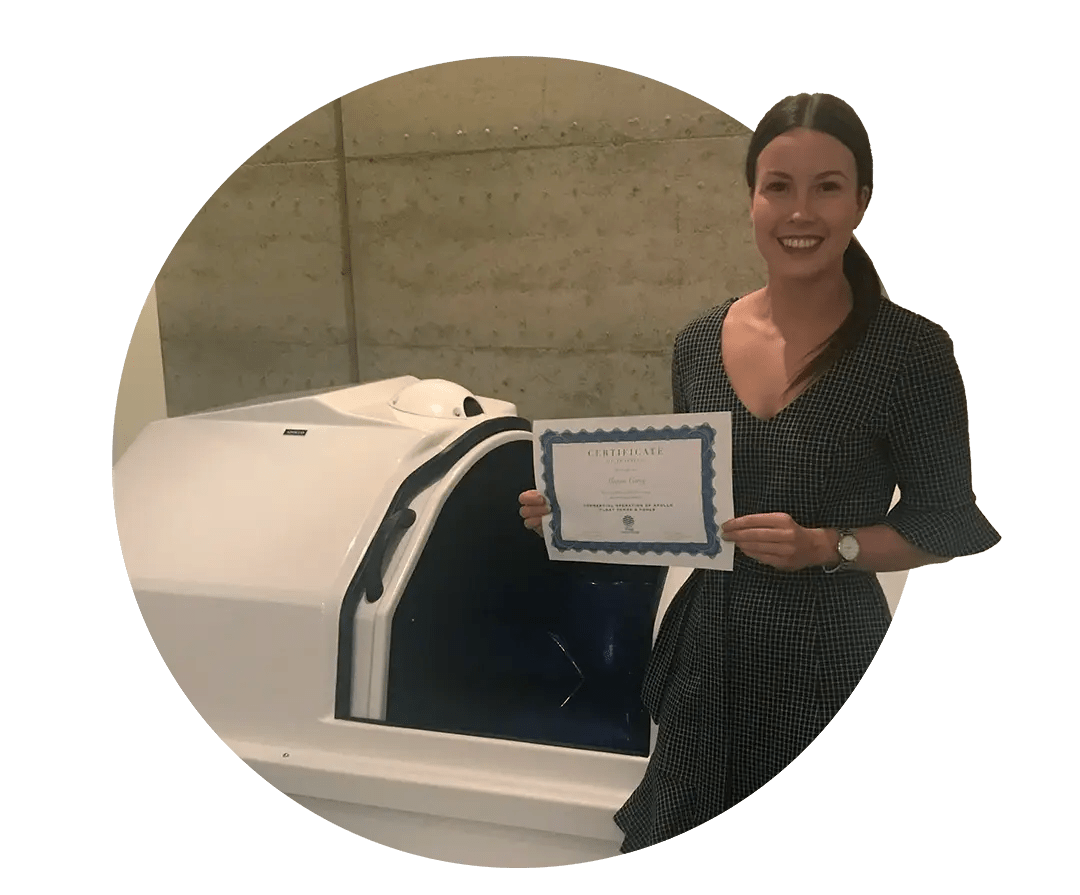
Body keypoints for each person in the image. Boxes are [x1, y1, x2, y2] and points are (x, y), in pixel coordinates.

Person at [518, 92, 1000, 853]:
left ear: (862, 202)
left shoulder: (912, 352)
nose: (799, 211)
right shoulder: (698, 344)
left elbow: (948, 522)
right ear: (751, 198)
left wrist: (828, 544)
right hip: (709, 660)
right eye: (779, 186)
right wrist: (576, 509)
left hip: (831, 664)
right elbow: (686, 506)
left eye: (827, 186)